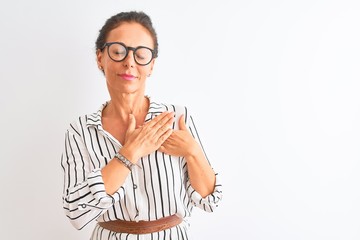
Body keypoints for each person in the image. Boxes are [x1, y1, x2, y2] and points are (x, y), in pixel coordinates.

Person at [61, 11, 223, 240]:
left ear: (152, 65)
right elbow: (76, 212)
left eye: (141, 54)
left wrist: (193, 151)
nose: (129, 62)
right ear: (100, 58)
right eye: (118, 52)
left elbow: (210, 200)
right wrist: (130, 152)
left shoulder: (176, 118)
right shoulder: (80, 130)